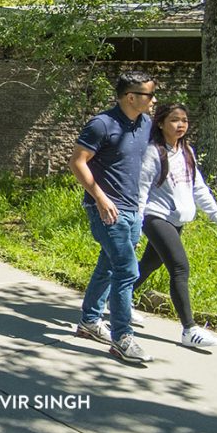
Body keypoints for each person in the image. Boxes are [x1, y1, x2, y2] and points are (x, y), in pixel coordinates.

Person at [70, 71, 156, 364]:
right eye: (148, 95)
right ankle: (123, 338)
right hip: (106, 208)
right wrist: (100, 197)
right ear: (131, 97)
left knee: (108, 266)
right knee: (126, 271)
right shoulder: (102, 124)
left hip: (132, 209)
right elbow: (77, 162)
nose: (153, 100)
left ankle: (90, 321)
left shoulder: (145, 123)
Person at [135, 103, 217, 347]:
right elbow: (141, 189)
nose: (180, 124)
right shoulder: (153, 151)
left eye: (184, 120)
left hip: (176, 220)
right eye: (174, 120)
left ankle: (117, 298)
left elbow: (199, 189)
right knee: (180, 267)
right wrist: (135, 222)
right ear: (161, 123)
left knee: (150, 263)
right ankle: (189, 330)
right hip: (156, 217)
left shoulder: (187, 152)